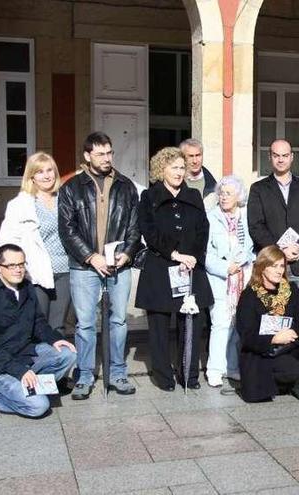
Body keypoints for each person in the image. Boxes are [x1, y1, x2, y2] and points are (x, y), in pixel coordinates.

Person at [59, 131, 141, 400]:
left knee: (118, 320)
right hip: (84, 267)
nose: (107, 158)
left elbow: (134, 225)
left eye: (109, 153)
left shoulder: (126, 186)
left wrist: (127, 254)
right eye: (101, 154)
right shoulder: (71, 188)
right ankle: (84, 376)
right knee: (84, 324)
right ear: (87, 156)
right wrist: (90, 257)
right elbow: (66, 230)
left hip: (119, 265)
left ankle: (117, 372)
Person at [136, 147, 214, 391]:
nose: (179, 172)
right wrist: (174, 254)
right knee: (159, 326)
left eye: (182, 167)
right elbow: (149, 230)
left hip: (190, 267)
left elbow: (203, 228)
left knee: (191, 321)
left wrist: (192, 256)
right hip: (161, 267)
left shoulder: (193, 196)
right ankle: (163, 376)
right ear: (162, 169)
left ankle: (189, 375)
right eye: (174, 168)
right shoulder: (149, 197)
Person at [0, 244, 77, 418]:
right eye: (12, 265)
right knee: (39, 406)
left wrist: (54, 339)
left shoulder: (26, 288)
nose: (18, 270)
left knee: (67, 353)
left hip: (24, 354)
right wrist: (19, 371)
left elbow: (38, 322)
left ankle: (32, 386)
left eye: (21, 264)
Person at [237, 246, 299, 402]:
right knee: (294, 369)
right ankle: (290, 381)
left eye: (282, 266)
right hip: (265, 351)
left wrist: (292, 333)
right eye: (273, 266)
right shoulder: (249, 295)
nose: (279, 270)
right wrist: (274, 339)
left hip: (289, 344)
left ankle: (295, 383)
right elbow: (246, 334)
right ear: (262, 268)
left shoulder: (291, 289)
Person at [0, 152, 72, 335]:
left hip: (65, 271)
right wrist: (18, 268)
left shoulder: (66, 199)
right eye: (39, 172)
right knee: (37, 324)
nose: (46, 175)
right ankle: (37, 363)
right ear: (31, 177)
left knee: (58, 326)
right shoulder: (20, 204)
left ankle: (60, 363)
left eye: (49, 170)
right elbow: (7, 240)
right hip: (37, 272)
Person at [247, 139, 299, 305]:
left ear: (292, 157)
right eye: (276, 155)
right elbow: (256, 225)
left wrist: (298, 247)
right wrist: (279, 251)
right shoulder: (258, 189)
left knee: (297, 316)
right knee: (270, 315)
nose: (280, 159)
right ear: (270, 157)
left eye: (285, 155)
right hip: (270, 264)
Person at [204, 175, 254, 389]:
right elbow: (205, 253)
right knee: (221, 325)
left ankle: (232, 367)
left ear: (238, 197)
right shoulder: (211, 217)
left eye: (228, 194)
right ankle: (214, 370)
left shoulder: (245, 216)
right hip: (221, 280)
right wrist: (226, 268)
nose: (223, 197)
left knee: (237, 325)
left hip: (244, 278)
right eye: (221, 193)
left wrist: (242, 259)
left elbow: (252, 246)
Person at [180, 138, 217, 207]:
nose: (195, 161)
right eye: (191, 156)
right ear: (183, 158)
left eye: (198, 155)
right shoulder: (175, 183)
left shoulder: (213, 186)